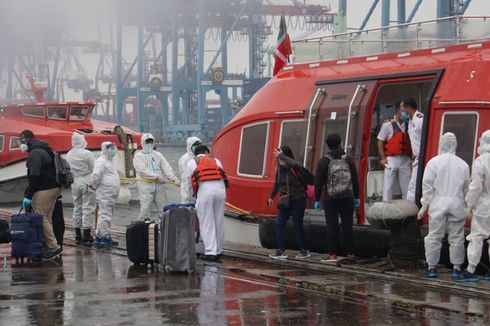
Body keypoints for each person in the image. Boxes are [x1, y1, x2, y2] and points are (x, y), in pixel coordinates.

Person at [417, 133, 470, 279]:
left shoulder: (433, 163)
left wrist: (424, 206)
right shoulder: (463, 165)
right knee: (457, 238)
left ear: (441, 144)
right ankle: (457, 269)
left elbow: (427, 186)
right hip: (457, 205)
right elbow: (467, 189)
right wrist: (469, 206)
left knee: (434, 236)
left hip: (438, 205)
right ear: (455, 145)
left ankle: (432, 268)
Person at [314, 133, 360, 263]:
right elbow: (355, 180)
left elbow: (318, 182)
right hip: (347, 197)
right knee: (348, 226)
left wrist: (317, 199)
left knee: (332, 226)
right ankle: (350, 254)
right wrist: (357, 197)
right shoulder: (348, 159)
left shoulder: (324, 161)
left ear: (328, 146)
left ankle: (333, 254)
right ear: (340, 144)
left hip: (330, 198)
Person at [19, 130, 62, 260]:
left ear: (29, 139)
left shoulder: (35, 153)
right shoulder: (44, 148)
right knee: (46, 218)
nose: (21, 144)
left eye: (22, 141)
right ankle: (48, 246)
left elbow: (34, 176)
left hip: (44, 188)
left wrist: (28, 195)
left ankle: (54, 247)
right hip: (54, 187)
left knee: (40, 216)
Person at [186, 143, 227, 261]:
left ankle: (210, 252)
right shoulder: (216, 160)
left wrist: (192, 199)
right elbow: (222, 176)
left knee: (206, 221)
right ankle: (219, 250)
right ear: (207, 152)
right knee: (218, 220)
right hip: (221, 191)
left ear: (195, 154)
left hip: (205, 191)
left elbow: (190, 184)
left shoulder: (191, 162)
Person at [267, 146, 310, 260]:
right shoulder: (279, 169)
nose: (280, 161)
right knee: (279, 223)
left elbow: (296, 165)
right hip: (285, 201)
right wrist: (271, 196)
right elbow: (277, 184)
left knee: (298, 225)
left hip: (298, 199)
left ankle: (304, 250)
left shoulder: (294, 167)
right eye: (278, 158)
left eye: (282, 158)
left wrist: (283, 156)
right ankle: (281, 250)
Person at [458, 130, 490, 282]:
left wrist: (469, 206)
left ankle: (471, 270)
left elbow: (476, 186)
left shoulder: (481, 161)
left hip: (484, 206)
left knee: (477, 236)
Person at [133, 133, 179, 220]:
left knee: (163, 208)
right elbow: (142, 171)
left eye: (151, 141)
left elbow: (166, 167)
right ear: (143, 143)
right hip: (146, 186)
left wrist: (173, 179)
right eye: (147, 142)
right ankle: (143, 228)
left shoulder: (158, 155)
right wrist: (156, 177)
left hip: (159, 186)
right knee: (145, 209)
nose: (150, 144)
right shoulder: (138, 156)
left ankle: (163, 228)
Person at [65, 132, 96, 245]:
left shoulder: (69, 154)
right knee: (88, 207)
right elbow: (94, 169)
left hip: (75, 183)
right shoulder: (87, 153)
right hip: (86, 182)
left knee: (77, 207)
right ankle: (86, 233)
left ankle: (77, 233)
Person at [377, 103, 412, 200]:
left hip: (405, 159)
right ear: (397, 111)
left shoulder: (409, 124)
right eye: (403, 110)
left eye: (406, 110)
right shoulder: (387, 125)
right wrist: (383, 158)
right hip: (391, 159)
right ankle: (386, 206)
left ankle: (408, 208)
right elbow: (380, 140)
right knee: (388, 186)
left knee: (407, 186)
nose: (405, 112)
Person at [91, 141, 120, 247]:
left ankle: (99, 236)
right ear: (105, 149)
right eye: (110, 148)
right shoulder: (101, 161)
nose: (112, 151)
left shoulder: (109, 161)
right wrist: (94, 186)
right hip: (105, 192)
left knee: (104, 214)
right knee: (105, 215)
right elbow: (96, 175)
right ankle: (105, 237)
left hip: (109, 192)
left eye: (113, 148)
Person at [401, 97, 423, 202]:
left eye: (403, 110)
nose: (403, 112)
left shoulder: (420, 119)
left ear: (409, 108)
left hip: (423, 158)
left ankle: (410, 210)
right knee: (414, 185)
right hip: (416, 158)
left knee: (413, 186)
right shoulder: (410, 121)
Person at [178, 136, 201, 204]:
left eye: (198, 145)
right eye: (195, 145)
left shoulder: (200, 157)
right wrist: (188, 194)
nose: (197, 147)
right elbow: (185, 178)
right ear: (189, 146)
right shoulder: (184, 159)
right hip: (187, 191)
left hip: (199, 190)